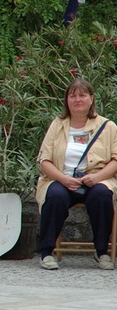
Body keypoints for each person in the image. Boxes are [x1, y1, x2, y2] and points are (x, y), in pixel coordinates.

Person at [36, 78, 117, 271]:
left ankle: (102, 251)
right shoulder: (58, 125)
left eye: (82, 95)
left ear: (91, 99)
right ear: (67, 101)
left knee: (101, 195)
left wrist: (97, 178)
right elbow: (44, 160)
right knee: (55, 196)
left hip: (96, 179)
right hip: (61, 179)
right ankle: (47, 252)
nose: (78, 99)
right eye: (73, 96)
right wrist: (62, 178)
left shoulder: (108, 127)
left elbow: (116, 159)